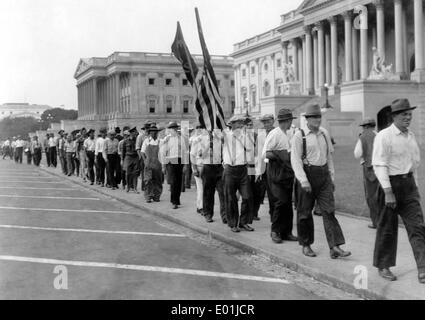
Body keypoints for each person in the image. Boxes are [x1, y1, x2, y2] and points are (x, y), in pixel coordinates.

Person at [372, 98, 425, 283]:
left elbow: (414, 164)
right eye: (404, 114)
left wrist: (415, 187)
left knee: (417, 227)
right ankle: (383, 265)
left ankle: (423, 268)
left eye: (410, 114)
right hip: (390, 186)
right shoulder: (384, 136)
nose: (408, 117)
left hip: (408, 186)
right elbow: (379, 165)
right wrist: (388, 191)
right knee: (387, 228)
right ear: (394, 116)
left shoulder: (410, 136)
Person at [291, 104, 351, 259]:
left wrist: (331, 178)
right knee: (304, 213)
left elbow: (329, 157)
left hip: (323, 176)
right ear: (307, 119)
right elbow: (295, 160)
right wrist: (303, 180)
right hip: (306, 175)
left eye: (319, 117)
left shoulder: (324, 133)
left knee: (329, 211)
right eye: (314, 117)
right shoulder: (300, 135)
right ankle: (306, 244)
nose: (317, 120)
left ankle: (335, 246)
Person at [263, 109, 298, 244]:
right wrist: (280, 155)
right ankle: (275, 231)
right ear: (286, 121)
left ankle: (287, 232)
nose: (291, 123)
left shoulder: (289, 134)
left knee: (288, 203)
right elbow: (265, 154)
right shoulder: (274, 134)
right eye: (290, 121)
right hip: (276, 172)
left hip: (287, 173)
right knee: (280, 202)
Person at [222, 115, 255, 233]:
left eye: (242, 123)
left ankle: (243, 222)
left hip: (242, 170)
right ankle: (233, 223)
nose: (241, 125)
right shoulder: (226, 135)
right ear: (232, 124)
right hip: (230, 170)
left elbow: (250, 153)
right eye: (239, 122)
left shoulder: (246, 136)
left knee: (247, 197)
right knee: (231, 198)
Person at [354, 117, 379, 229]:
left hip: (369, 168)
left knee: (371, 196)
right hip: (381, 167)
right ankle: (384, 222)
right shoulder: (380, 135)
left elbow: (357, 154)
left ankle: (376, 222)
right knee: (382, 196)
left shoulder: (362, 137)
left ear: (366, 126)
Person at [160, 122, 186, 209]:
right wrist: (163, 166)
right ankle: (174, 201)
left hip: (179, 160)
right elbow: (163, 152)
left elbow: (184, 152)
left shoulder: (181, 138)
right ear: (170, 130)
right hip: (170, 160)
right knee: (173, 181)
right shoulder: (167, 139)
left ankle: (177, 200)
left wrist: (185, 165)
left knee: (179, 182)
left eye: (175, 128)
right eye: (172, 128)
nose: (174, 130)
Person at [141, 125, 163, 202]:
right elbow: (142, 152)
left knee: (158, 180)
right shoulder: (146, 141)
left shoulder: (160, 141)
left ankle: (156, 196)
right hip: (148, 163)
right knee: (148, 180)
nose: (154, 133)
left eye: (155, 132)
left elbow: (162, 153)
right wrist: (145, 161)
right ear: (150, 133)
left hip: (157, 163)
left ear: (157, 133)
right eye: (152, 132)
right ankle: (148, 196)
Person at [189, 124, 205, 216]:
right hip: (198, 166)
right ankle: (200, 207)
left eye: (202, 129)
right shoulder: (195, 141)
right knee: (201, 188)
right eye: (199, 129)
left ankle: (202, 206)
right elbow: (192, 155)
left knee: (205, 188)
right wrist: (194, 169)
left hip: (207, 167)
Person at [122, 127, 140, 193]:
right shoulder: (125, 141)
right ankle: (128, 187)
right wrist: (122, 160)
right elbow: (123, 152)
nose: (136, 133)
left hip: (135, 157)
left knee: (135, 173)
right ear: (131, 133)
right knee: (128, 173)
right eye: (135, 132)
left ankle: (135, 188)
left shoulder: (137, 140)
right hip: (128, 157)